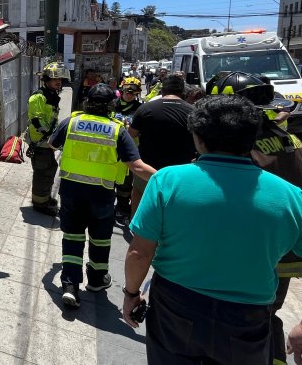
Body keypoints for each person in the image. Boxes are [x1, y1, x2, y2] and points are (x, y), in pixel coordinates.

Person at [122, 96, 302, 365]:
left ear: (197, 137)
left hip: (175, 310)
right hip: (247, 320)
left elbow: (139, 253)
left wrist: (130, 294)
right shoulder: (289, 196)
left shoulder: (167, 181)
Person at [206, 71, 302, 365]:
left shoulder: (244, 147)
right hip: (286, 249)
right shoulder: (290, 139)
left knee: (240, 323)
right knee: (267, 316)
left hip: (253, 251)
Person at [48, 83, 156, 308]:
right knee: (100, 240)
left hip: (71, 193)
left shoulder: (72, 122)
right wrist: (167, 179)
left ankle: (69, 285)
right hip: (102, 195)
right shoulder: (117, 129)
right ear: (111, 105)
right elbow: (136, 166)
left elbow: (51, 144)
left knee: (72, 238)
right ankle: (96, 281)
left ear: (87, 102)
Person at [127, 74, 196, 217]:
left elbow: (131, 135)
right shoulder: (193, 111)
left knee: (139, 194)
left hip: (147, 167)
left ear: (162, 91)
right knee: (173, 203)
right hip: (180, 170)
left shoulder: (146, 109)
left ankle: (136, 225)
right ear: (182, 92)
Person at [26, 61, 68, 216]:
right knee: (43, 172)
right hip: (41, 142)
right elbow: (36, 120)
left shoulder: (52, 96)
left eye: (61, 79)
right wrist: (48, 135)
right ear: (46, 79)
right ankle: (39, 204)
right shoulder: (38, 97)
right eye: (55, 79)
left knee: (51, 168)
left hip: (48, 142)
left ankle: (44, 198)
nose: (59, 82)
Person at [113, 76, 144, 224]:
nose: (129, 94)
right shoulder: (112, 105)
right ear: (122, 90)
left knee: (125, 184)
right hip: (111, 151)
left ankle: (122, 208)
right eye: (127, 91)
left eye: (133, 92)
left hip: (131, 151)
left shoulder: (141, 109)